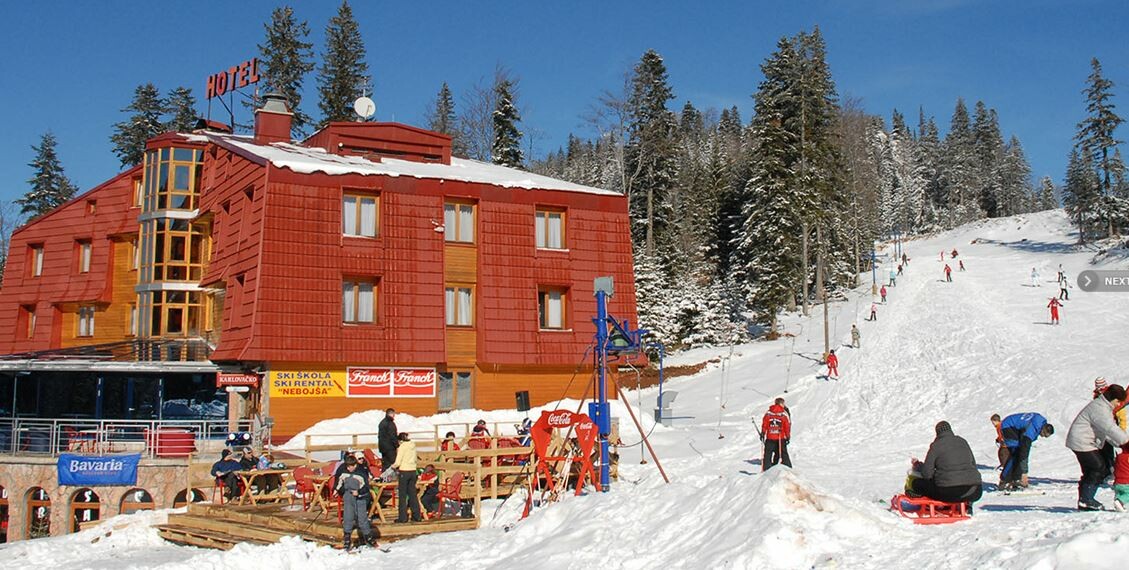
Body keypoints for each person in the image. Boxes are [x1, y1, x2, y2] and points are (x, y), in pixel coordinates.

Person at [1066, 384, 1129, 510]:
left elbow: (1106, 432)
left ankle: (1084, 500)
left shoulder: (1103, 406)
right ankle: (1086, 499)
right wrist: (1126, 441)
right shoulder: (1100, 409)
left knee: (1092, 470)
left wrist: (1120, 444)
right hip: (1082, 441)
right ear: (1112, 398)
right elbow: (1110, 428)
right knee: (1098, 468)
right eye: (1118, 402)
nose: (1118, 405)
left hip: (1084, 441)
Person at [908, 421, 983, 504]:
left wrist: (919, 466)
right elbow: (973, 465)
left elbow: (927, 473)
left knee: (916, 483)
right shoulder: (963, 442)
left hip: (948, 492)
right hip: (975, 491)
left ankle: (921, 497)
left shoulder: (936, 445)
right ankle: (967, 504)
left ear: (937, 433)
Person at [998, 413, 1055, 491]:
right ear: (1043, 429)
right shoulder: (1031, 430)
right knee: (1015, 454)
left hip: (1015, 427)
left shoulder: (1039, 423)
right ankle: (1004, 481)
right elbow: (1024, 451)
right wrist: (1024, 473)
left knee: (1019, 454)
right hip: (1008, 427)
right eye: (1044, 435)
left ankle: (1015, 480)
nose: (1043, 436)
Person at [335, 454, 377, 551]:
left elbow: (366, 487)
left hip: (360, 498)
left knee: (362, 518)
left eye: (351, 466)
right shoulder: (344, 472)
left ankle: (368, 538)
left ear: (355, 465)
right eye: (347, 467)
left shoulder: (361, 473)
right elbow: (339, 483)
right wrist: (339, 491)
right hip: (348, 498)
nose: (349, 468)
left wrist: (358, 492)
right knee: (348, 517)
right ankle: (347, 539)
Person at [391, 432, 422, 523]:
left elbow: (398, 461)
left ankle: (403, 517)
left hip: (404, 471)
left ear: (400, 440)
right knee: (413, 494)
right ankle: (417, 516)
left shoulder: (402, 447)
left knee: (403, 495)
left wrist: (394, 466)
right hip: (412, 471)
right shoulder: (413, 446)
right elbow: (415, 459)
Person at [760, 402, 791, 471]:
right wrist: (788, 436)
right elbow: (787, 426)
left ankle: (766, 469)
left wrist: (763, 433)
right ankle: (788, 468)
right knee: (783, 453)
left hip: (770, 437)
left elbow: (764, 424)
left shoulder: (768, 414)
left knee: (768, 454)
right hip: (780, 437)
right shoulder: (783, 414)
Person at [1113, 442, 1129, 511]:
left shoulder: (1119, 456)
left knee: (1120, 493)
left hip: (1117, 482)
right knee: (1127, 494)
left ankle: (1119, 505)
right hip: (1126, 482)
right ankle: (1119, 502)